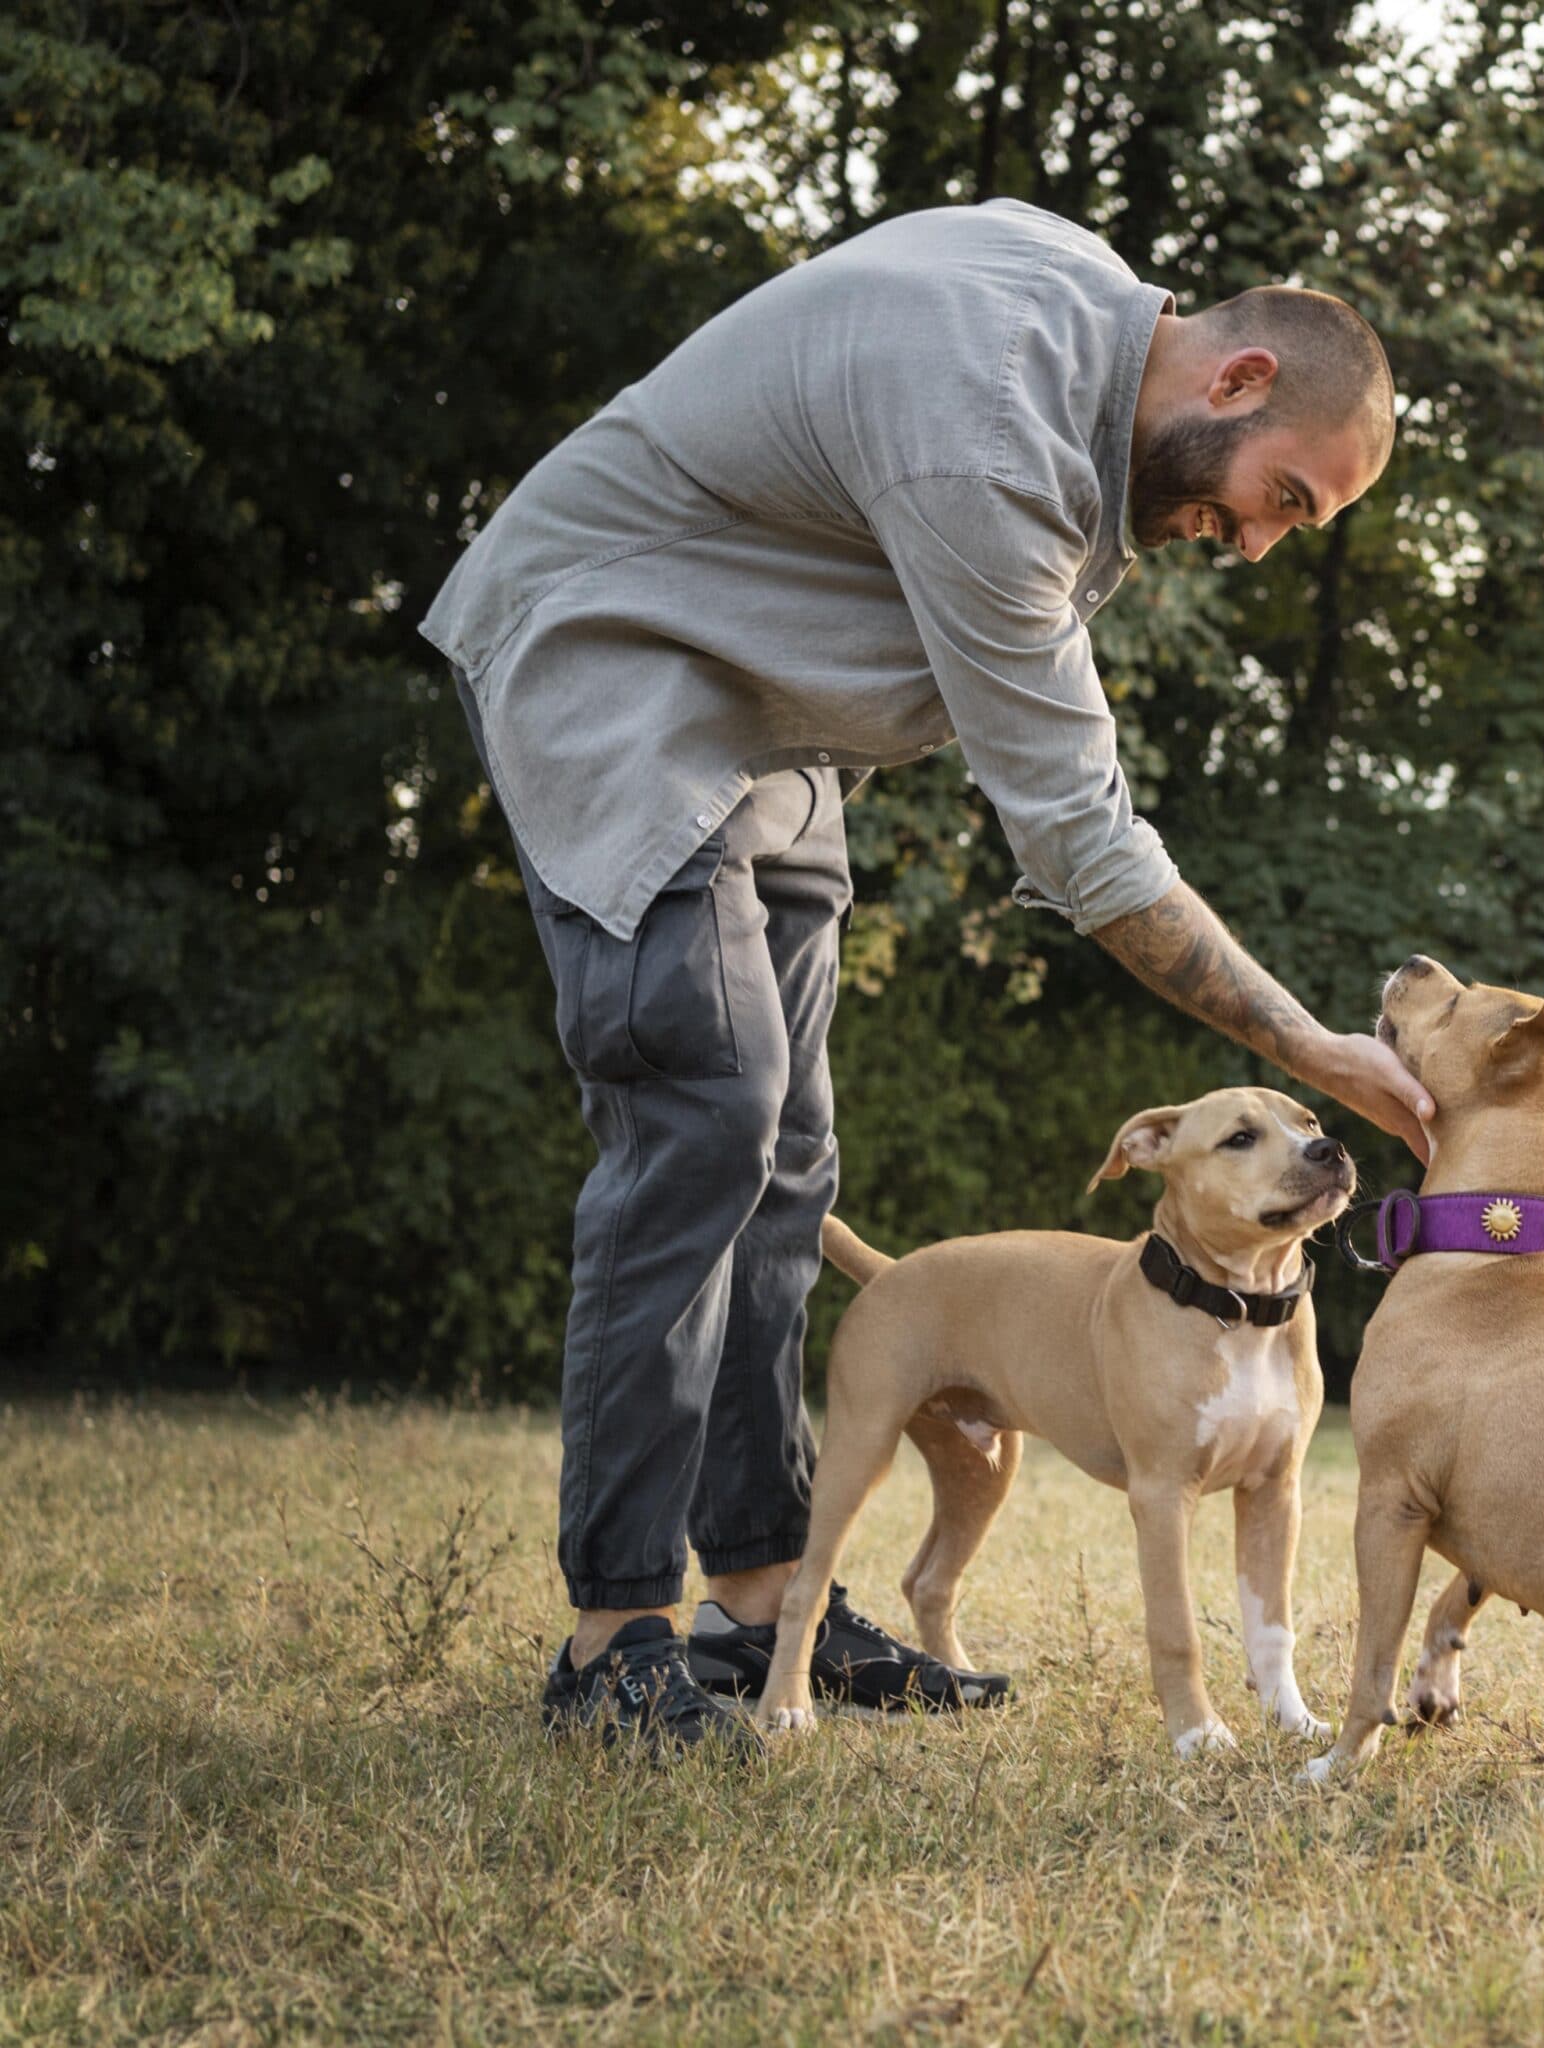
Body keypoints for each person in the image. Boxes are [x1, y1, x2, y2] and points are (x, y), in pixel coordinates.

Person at [421, 198, 1433, 1753]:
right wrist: (1306, 1045)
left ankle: (763, 1607)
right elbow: (1085, 844)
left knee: (789, 1161)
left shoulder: (1083, 295)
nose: (1250, 541)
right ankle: (612, 1639)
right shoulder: (991, 449)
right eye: (1280, 500)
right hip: (616, 661)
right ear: (1233, 383)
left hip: (769, 723)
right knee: (705, 1123)